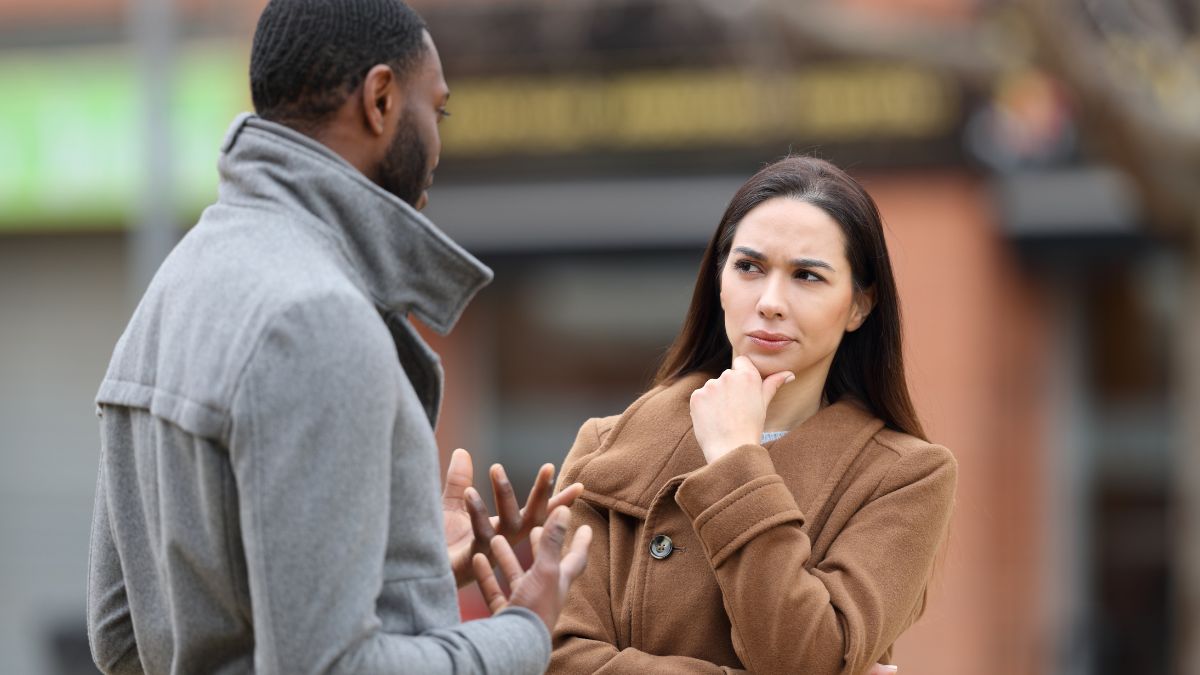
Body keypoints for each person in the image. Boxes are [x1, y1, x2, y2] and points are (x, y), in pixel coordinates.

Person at [85, 1, 591, 673]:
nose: (437, 147)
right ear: (381, 99)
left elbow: (120, 633)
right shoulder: (316, 316)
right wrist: (527, 628)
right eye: (435, 112)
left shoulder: (174, 286)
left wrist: (396, 568)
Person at [548, 156, 958, 674]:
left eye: (807, 276)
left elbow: (808, 658)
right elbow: (554, 657)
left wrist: (736, 462)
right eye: (749, 267)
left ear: (859, 306)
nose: (769, 302)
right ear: (718, 280)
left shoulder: (904, 477)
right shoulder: (610, 447)